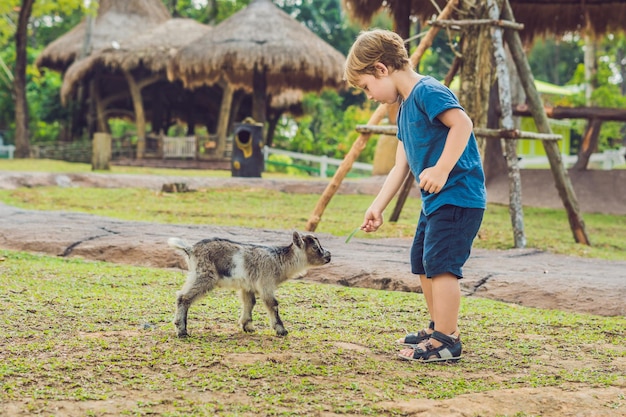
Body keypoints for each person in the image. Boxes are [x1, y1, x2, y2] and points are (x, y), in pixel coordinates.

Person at [344, 29, 486, 362]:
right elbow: (400, 166)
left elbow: (462, 124)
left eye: (366, 87)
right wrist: (376, 207)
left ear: (381, 69)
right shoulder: (405, 108)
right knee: (423, 261)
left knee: (442, 265)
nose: (368, 95)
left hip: (459, 196)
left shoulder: (427, 91)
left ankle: (447, 340)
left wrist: (441, 169)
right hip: (436, 202)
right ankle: (439, 326)